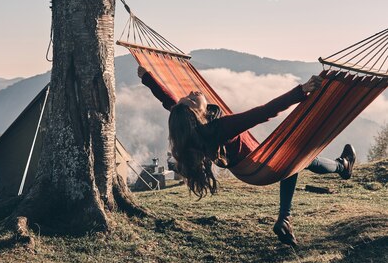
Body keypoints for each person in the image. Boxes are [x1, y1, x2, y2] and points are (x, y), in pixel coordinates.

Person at [137, 66, 356, 246]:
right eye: (192, 101)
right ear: (198, 114)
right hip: (260, 164)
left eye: (187, 96)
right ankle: (341, 167)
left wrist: (148, 78)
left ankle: (291, 214)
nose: (191, 94)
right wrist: (302, 91)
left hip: (246, 171)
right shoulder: (220, 128)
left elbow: (169, 102)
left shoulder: (193, 131)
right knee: (295, 159)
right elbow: (263, 112)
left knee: (293, 162)